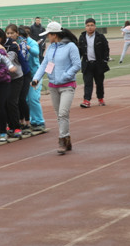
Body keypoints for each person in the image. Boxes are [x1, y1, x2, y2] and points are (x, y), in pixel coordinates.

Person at [31, 22, 81, 155]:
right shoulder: (51, 47)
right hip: (53, 87)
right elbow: (44, 65)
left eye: (48, 34)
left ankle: (62, 140)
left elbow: (77, 65)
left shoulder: (71, 46)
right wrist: (36, 79)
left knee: (63, 113)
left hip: (67, 86)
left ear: (54, 34)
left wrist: (65, 76)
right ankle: (67, 138)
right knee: (59, 115)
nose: (47, 37)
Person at [0, 28, 25, 139]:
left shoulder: (12, 45)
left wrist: (2, 50)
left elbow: (8, 61)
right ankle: (7, 126)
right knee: (2, 103)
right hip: (2, 79)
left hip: (15, 77)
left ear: (2, 38)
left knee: (12, 102)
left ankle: (16, 127)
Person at [78, 18, 110, 108]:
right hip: (87, 64)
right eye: (88, 25)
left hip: (98, 64)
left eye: (92, 25)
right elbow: (79, 51)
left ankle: (100, 98)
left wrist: (105, 60)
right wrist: (76, 61)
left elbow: (106, 49)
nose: (90, 27)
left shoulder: (100, 37)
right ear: (85, 27)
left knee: (99, 83)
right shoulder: (82, 37)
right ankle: (86, 100)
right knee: (87, 83)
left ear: (95, 26)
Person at [19, 25, 46, 133]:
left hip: (35, 75)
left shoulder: (32, 42)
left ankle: (39, 122)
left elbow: (36, 53)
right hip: (24, 75)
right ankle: (31, 120)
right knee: (25, 100)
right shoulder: (17, 43)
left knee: (33, 98)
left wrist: (27, 47)